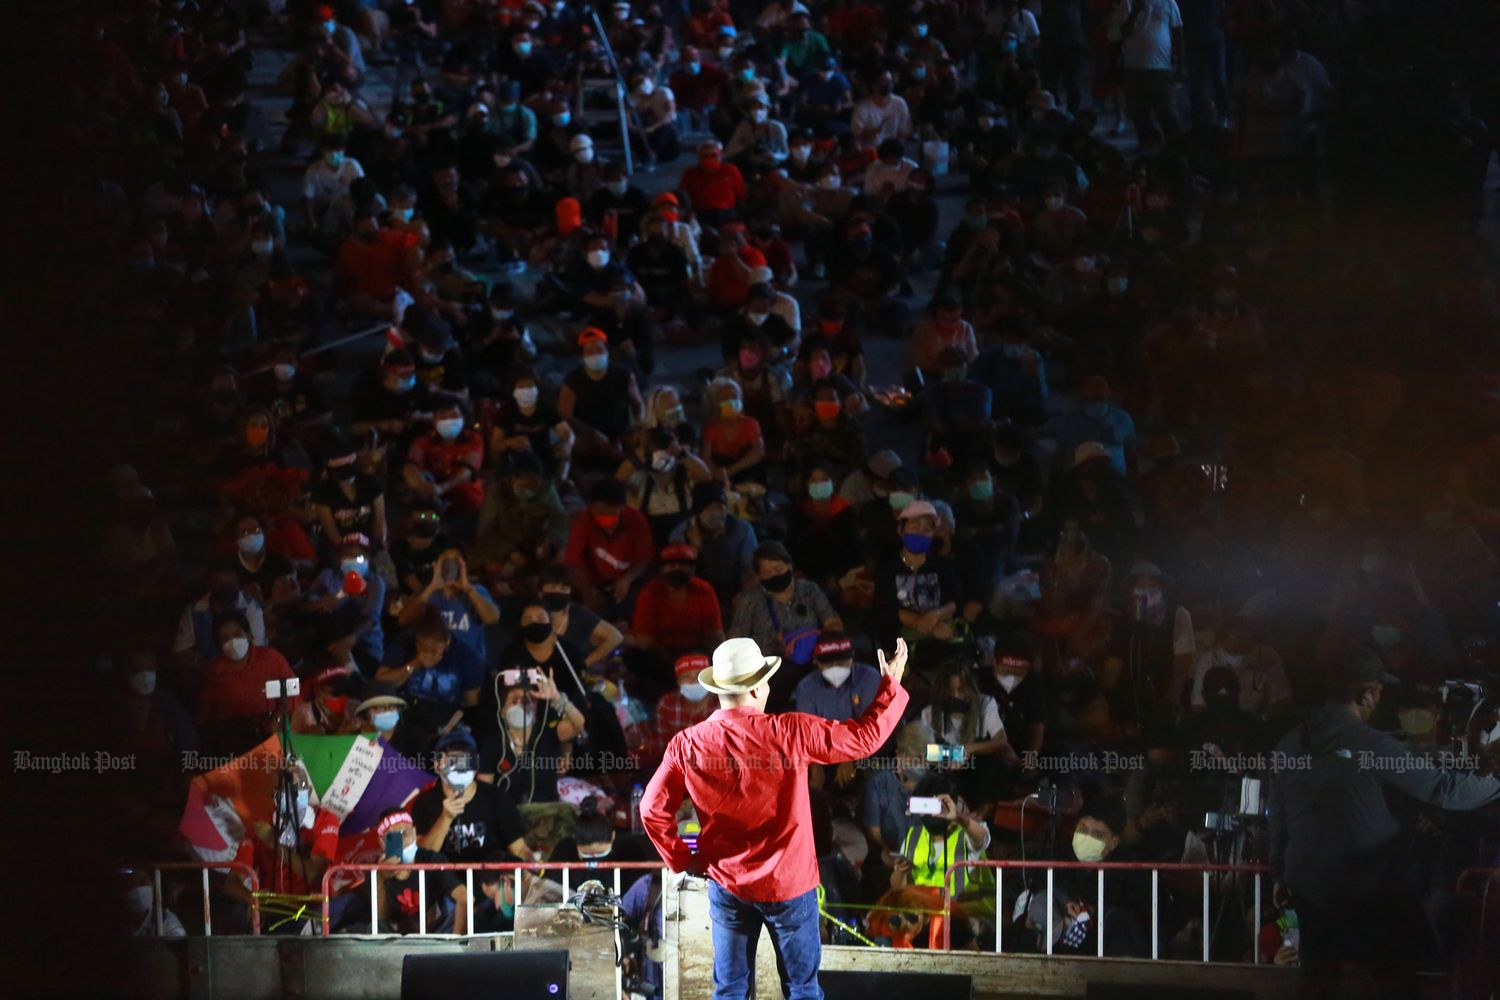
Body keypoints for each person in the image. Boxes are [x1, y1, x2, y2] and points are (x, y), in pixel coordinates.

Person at [640, 637, 911, 1000]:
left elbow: (651, 810)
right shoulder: (791, 731)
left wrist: (683, 859)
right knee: (802, 989)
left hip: (728, 884)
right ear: (756, 688)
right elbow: (864, 739)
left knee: (731, 990)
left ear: (720, 690)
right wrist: (890, 687)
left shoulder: (688, 744)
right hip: (789, 885)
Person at [1270, 651, 1500, 999]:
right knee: (1397, 974)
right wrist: (1495, 779)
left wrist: (1278, 873)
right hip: (1364, 883)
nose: (1379, 700)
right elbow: (1445, 789)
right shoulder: (1371, 744)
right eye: (1378, 692)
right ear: (1364, 695)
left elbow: (1278, 815)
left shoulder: (1288, 743)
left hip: (1308, 883)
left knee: (1319, 976)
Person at [412, 727, 531, 861]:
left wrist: (534, 869)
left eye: (465, 760)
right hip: (444, 879)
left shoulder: (497, 798)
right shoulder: (424, 802)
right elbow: (421, 858)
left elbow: (519, 849)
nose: (459, 766)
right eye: (452, 760)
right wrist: (446, 818)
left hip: (489, 879)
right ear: (437, 765)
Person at [631, 544, 726, 667]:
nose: (677, 569)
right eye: (671, 565)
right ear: (662, 569)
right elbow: (646, 641)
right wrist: (675, 666)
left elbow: (714, 634)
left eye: (683, 565)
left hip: (697, 654)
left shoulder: (704, 590)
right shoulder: (649, 592)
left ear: (692, 568)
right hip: (660, 657)